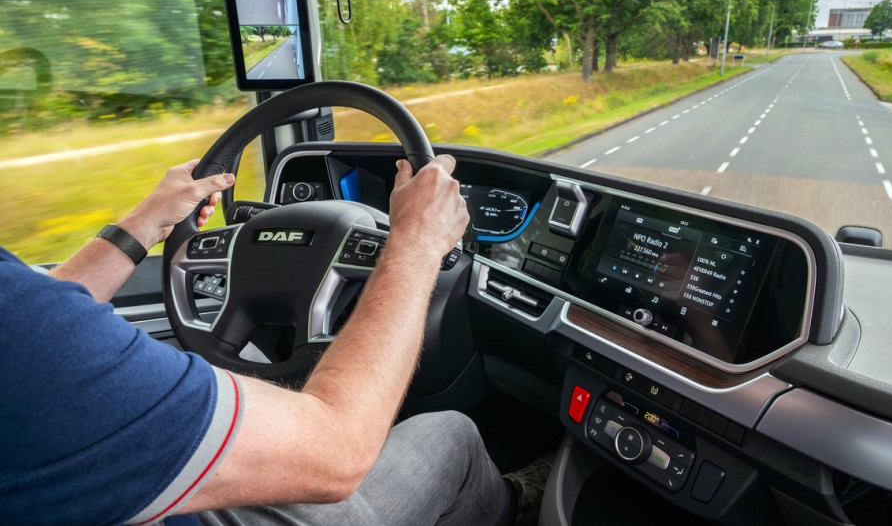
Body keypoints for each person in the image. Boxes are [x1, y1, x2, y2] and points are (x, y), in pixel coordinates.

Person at [0, 156, 549, 524]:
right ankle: (520, 508)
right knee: (449, 434)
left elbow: (38, 317)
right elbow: (335, 454)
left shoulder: (19, 321)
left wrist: (144, 223)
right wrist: (416, 242)